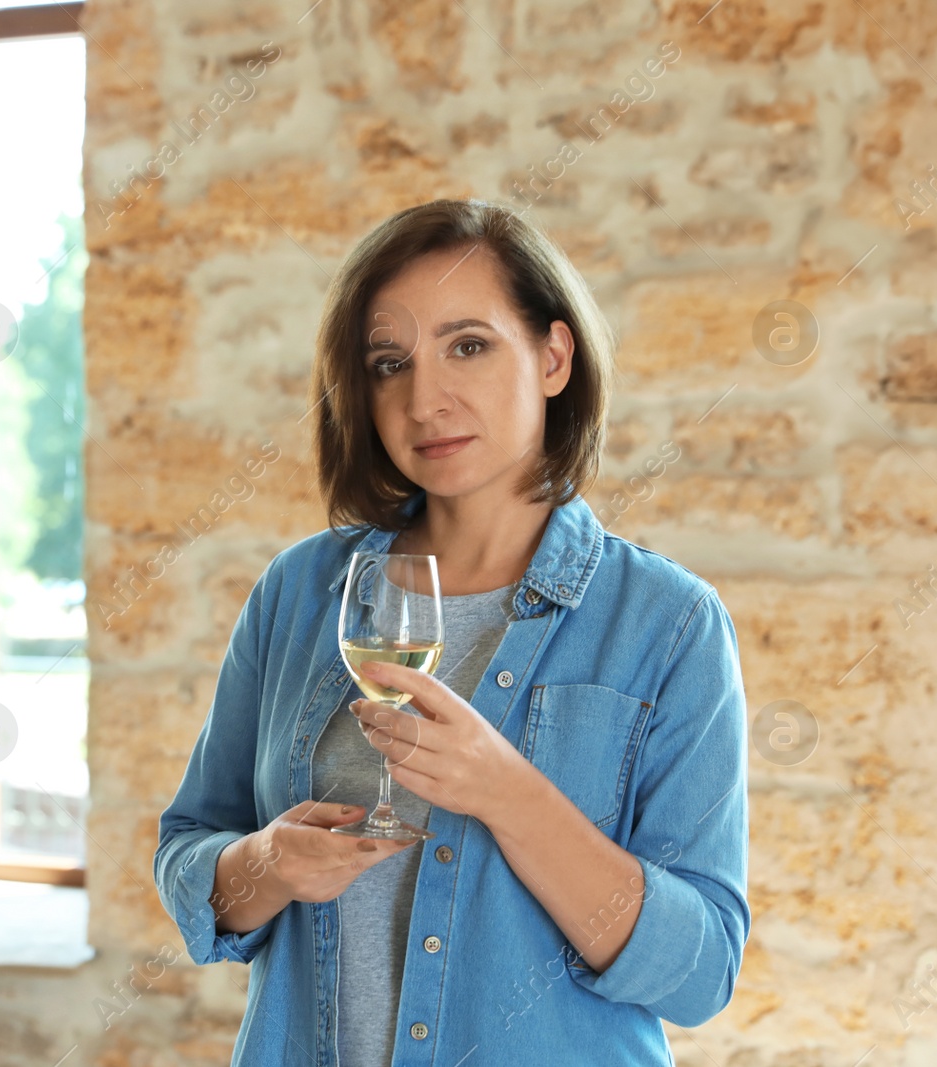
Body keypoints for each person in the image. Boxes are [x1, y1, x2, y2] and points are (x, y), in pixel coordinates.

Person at [153, 198, 749, 1065]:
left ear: (553, 356)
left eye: (468, 345)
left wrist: (509, 793)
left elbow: (699, 974)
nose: (425, 399)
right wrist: (268, 865)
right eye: (390, 363)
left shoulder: (669, 623)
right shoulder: (301, 590)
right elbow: (189, 859)